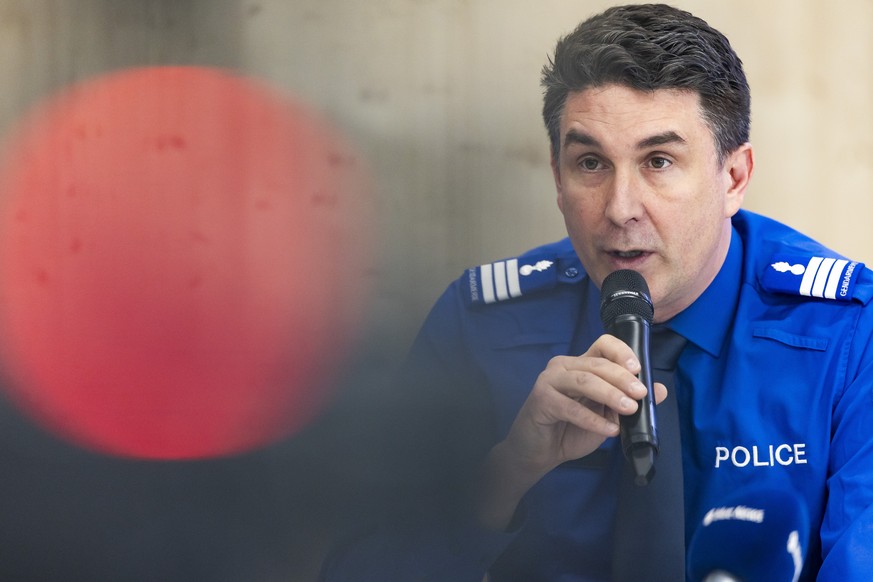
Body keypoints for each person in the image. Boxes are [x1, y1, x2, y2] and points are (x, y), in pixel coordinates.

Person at [321, 4, 873, 580]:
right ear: (558, 179)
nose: (619, 209)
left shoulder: (848, 333)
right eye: (591, 163)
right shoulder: (480, 323)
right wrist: (506, 472)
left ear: (733, 178)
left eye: (658, 161)